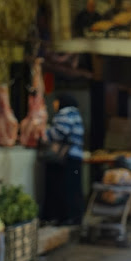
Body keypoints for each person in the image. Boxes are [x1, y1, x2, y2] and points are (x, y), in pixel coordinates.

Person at [42, 94, 84, 225]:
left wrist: (45, 133)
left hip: (66, 158)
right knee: (74, 187)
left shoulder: (65, 113)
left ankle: (64, 218)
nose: (54, 104)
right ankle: (75, 217)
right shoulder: (76, 114)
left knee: (62, 188)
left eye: (55, 101)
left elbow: (60, 132)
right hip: (76, 157)